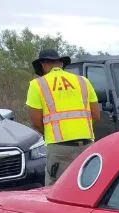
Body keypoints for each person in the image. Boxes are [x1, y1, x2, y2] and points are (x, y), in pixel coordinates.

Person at [26, 49, 101, 185]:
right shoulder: (83, 81)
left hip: (59, 147)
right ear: (60, 63)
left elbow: (36, 121)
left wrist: (50, 132)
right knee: (87, 188)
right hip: (87, 146)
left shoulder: (37, 84)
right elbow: (96, 114)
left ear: (43, 65)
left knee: (56, 191)